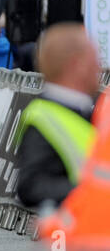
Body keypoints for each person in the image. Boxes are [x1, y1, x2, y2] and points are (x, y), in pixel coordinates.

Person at [15, 24, 99, 210]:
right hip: (69, 234)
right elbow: (31, 185)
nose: (99, 67)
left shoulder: (83, 108)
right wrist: (92, 192)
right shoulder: (44, 116)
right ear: (77, 65)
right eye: (94, 60)